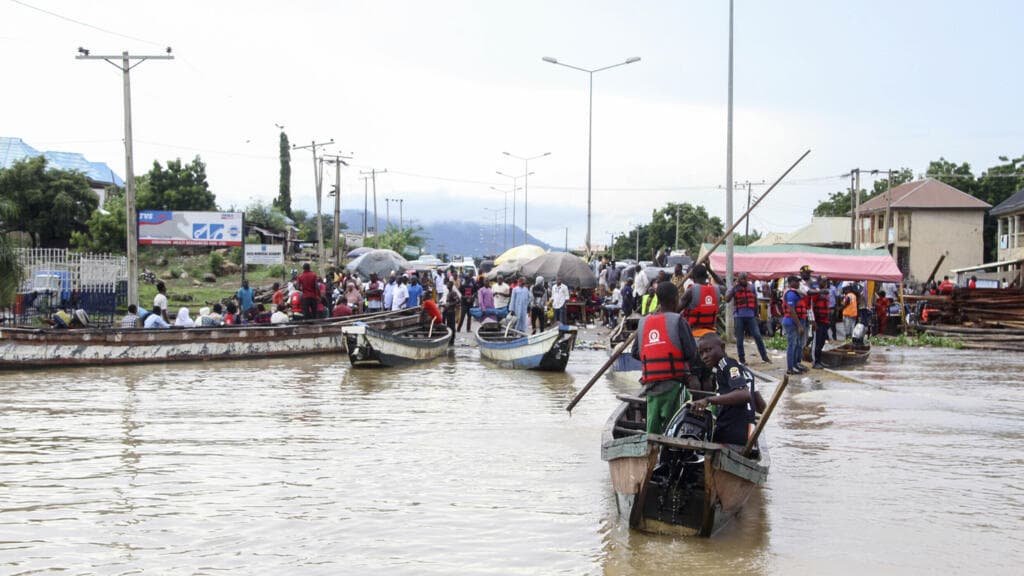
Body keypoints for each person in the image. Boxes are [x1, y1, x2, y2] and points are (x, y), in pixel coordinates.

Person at [630, 281, 701, 434]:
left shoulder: (643, 322)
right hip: (674, 385)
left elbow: (635, 352)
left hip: (650, 386)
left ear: (658, 299)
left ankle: (651, 450)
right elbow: (691, 354)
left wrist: (653, 354)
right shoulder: (679, 321)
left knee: (652, 428)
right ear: (676, 299)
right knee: (674, 427)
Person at [691, 333, 767, 446]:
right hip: (748, 434)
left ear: (722, 347)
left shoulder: (725, 364)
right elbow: (762, 408)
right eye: (701, 353)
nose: (704, 356)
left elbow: (744, 395)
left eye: (708, 350)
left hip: (730, 433)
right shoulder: (746, 371)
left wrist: (708, 400)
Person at [725, 272, 770, 364]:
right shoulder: (735, 288)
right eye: (742, 279)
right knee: (740, 339)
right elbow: (727, 299)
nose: (744, 280)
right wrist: (734, 287)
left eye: (745, 279)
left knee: (757, 336)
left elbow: (755, 301)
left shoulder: (751, 287)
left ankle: (764, 357)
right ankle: (742, 359)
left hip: (750, 316)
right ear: (738, 279)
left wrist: (756, 314)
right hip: (739, 316)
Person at [680, 264, 718, 337]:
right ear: (706, 276)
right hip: (712, 332)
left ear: (693, 277)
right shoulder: (716, 290)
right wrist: (709, 269)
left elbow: (675, 310)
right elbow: (724, 286)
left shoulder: (690, 291)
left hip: (693, 333)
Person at [783, 275, 807, 375]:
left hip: (795, 322)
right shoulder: (791, 294)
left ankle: (795, 365)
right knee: (792, 345)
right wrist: (799, 325)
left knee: (796, 344)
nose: (798, 283)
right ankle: (790, 368)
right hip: (791, 322)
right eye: (796, 281)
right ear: (791, 282)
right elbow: (791, 311)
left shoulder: (795, 293)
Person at [811, 284, 832, 369]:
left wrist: (828, 321)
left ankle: (819, 361)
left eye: (826, 281)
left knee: (822, 342)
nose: (825, 283)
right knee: (817, 342)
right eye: (823, 281)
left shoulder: (826, 294)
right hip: (818, 322)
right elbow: (811, 307)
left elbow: (827, 308)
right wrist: (813, 322)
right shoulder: (816, 293)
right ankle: (815, 361)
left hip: (824, 321)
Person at [444, 279, 459, 345]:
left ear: (451, 285)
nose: (447, 285)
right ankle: (450, 339)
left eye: (448, 284)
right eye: (447, 284)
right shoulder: (448, 293)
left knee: (452, 326)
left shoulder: (453, 293)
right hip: (448, 311)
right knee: (448, 326)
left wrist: (450, 304)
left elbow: (458, 301)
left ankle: (452, 340)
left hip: (451, 311)